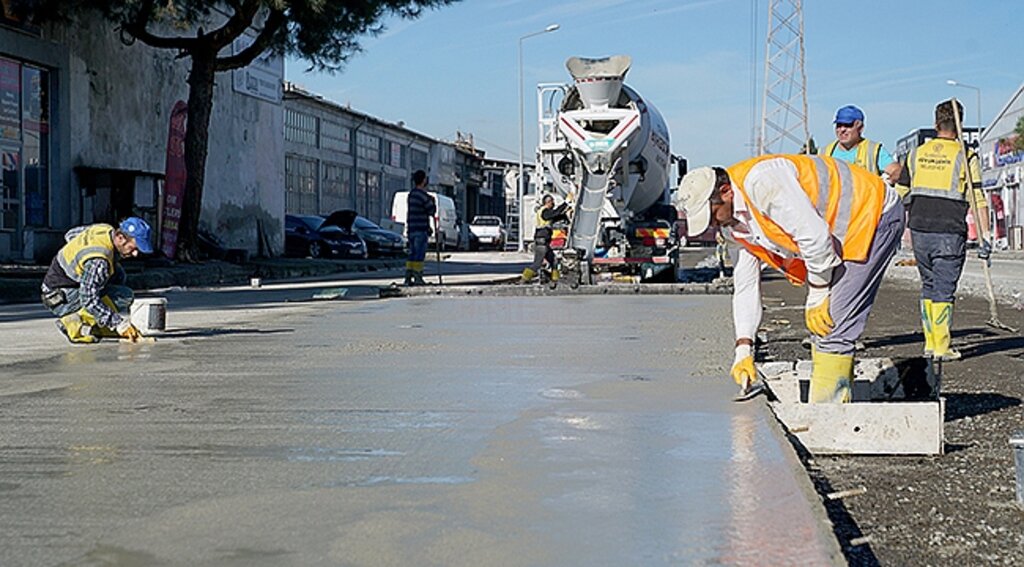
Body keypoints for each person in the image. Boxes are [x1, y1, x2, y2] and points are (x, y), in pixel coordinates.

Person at [676, 155, 904, 403]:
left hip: (873, 215)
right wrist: (743, 347)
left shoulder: (762, 183)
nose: (712, 225)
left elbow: (815, 238)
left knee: (832, 325)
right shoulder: (733, 226)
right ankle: (838, 398)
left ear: (726, 192)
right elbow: (746, 285)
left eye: (711, 215)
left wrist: (818, 293)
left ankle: (826, 417)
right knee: (826, 327)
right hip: (840, 235)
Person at [897, 99, 988, 361]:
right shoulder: (966, 155)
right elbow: (978, 198)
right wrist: (985, 238)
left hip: (920, 231)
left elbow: (901, 194)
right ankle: (942, 347)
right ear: (960, 125)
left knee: (928, 286)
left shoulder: (916, 154)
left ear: (936, 123)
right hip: (949, 232)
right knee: (944, 290)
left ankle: (930, 343)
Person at [40, 217, 152, 343]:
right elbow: (88, 298)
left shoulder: (105, 229)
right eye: (134, 248)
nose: (135, 254)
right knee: (124, 295)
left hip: (55, 286)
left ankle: (100, 327)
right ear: (120, 238)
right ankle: (73, 321)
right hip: (59, 298)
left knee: (118, 273)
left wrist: (78, 255)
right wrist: (118, 324)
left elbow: (70, 234)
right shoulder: (99, 260)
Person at [824, 105, 901, 181]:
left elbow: (896, 170)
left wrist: (889, 181)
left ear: (860, 128)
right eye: (839, 125)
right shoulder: (825, 152)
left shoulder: (873, 151)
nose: (842, 130)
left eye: (848, 125)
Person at [521, 194, 570, 283]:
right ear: (548, 202)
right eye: (552, 202)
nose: (554, 204)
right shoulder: (544, 212)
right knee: (537, 264)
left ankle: (555, 280)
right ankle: (524, 279)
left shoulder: (547, 213)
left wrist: (565, 214)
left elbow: (556, 215)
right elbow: (555, 213)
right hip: (541, 243)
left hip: (545, 243)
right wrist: (565, 203)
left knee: (554, 261)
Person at [404, 169, 436, 286]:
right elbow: (431, 210)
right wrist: (432, 201)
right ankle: (418, 277)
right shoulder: (423, 196)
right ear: (423, 180)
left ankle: (408, 276)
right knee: (419, 254)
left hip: (411, 229)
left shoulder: (411, 195)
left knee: (412, 254)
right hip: (420, 229)